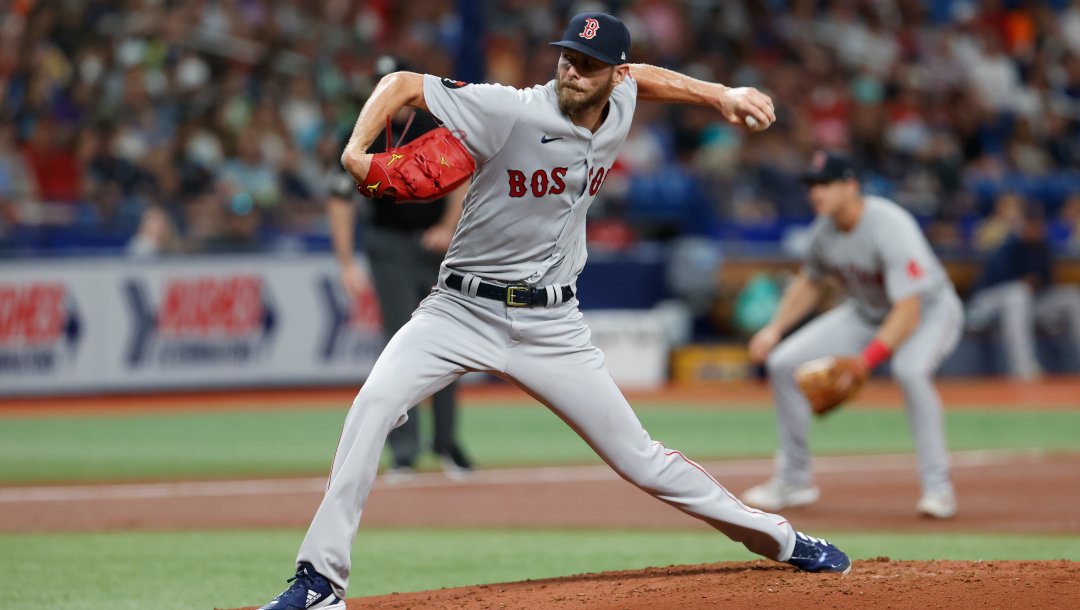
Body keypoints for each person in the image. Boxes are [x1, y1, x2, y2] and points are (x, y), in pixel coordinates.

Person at [259, 13, 849, 610]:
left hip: (552, 326)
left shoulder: (621, 101)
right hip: (460, 309)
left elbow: (643, 75)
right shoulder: (509, 108)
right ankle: (320, 582)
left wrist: (720, 93)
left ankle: (780, 538)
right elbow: (404, 85)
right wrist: (356, 149)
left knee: (640, 460)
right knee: (372, 407)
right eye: (567, 56)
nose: (571, 68)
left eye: (588, 64)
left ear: (611, 77)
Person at [742, 150, 963, 521]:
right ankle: (795, 480)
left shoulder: (890, 225)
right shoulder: (823, 232)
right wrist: (775, 329)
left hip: (929, 310)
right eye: (812, 185)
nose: (816, 193)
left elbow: (907, 308)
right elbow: (810, 282)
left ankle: (938, 489)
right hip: (867, 313)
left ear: (851, 186)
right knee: (783, 363)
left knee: (910, 372)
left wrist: (865, 362)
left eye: (825, 184)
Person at [326, 56, 473, 481]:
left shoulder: (434, 126)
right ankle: (404, 452)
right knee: (397, 346)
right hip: (387, 246)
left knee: (451, 344)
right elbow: (338, 198)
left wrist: (448, 226)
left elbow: (462, 179)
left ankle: (446, 444)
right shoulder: (362, 130)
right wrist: (346, 262)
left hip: (434, 249)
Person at [966, 205, 1080, 380]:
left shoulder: (1043, 249)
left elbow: (1045, 283)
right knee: (1018, 293)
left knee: (1072, 297)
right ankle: (1022, 367)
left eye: (1039, 225)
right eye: (1031, 224)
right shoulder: (1008, 247)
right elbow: (994, 281)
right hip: (987, 304)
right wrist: (1025, 283)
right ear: (1024, 225)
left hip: (1025, 305)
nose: (1036, 229)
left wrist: (1032, 283)